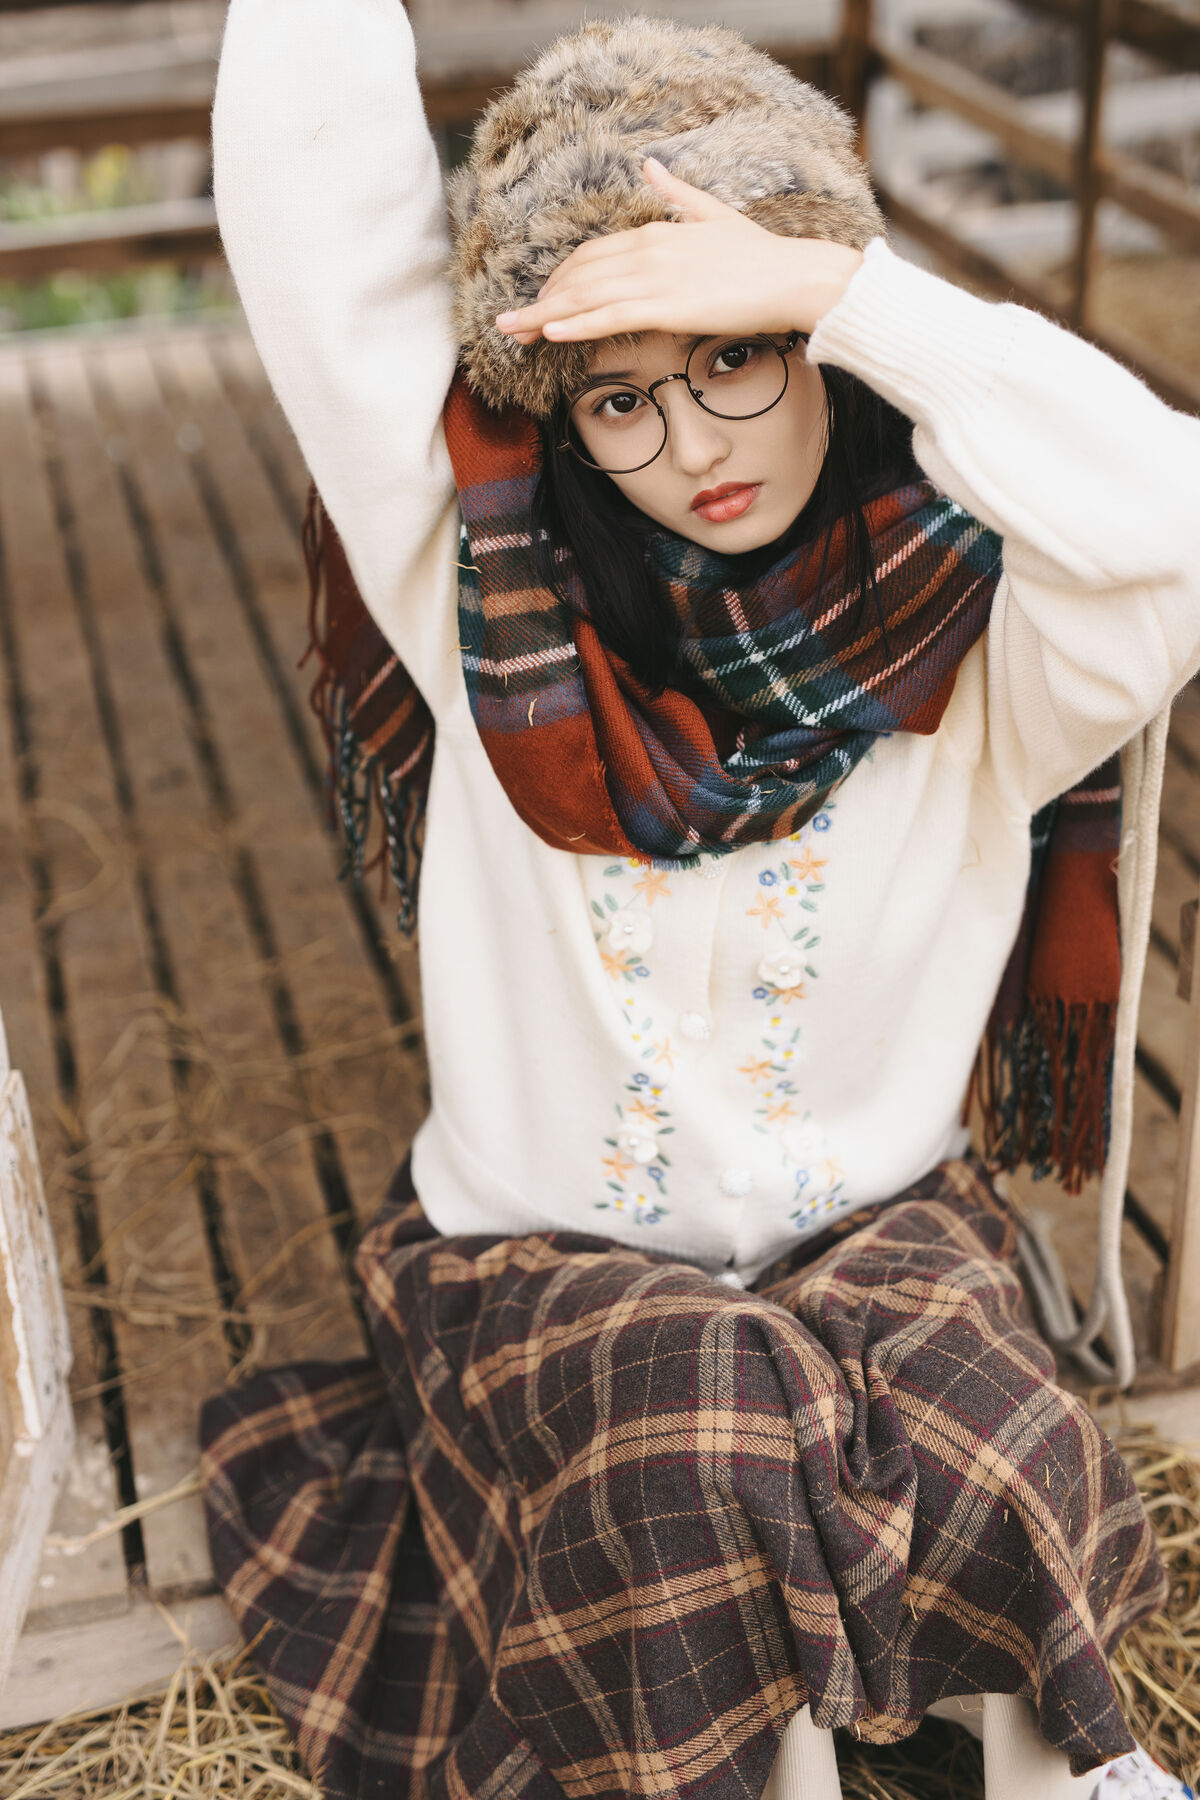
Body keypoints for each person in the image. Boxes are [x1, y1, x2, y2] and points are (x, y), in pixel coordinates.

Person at [199, 5, 1200, 1799]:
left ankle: (1068, 1768)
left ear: (823, 345)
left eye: (740, 355)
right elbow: (319, 230)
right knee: (693, 1449)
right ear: (560, 417)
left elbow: (1175, 517)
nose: (692, 441)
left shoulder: (988, 648)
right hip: (541, 1264)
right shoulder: (482, 596)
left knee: (1001, 1442)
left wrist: (846, 286)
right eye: (620, 395)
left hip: (877, 1229)